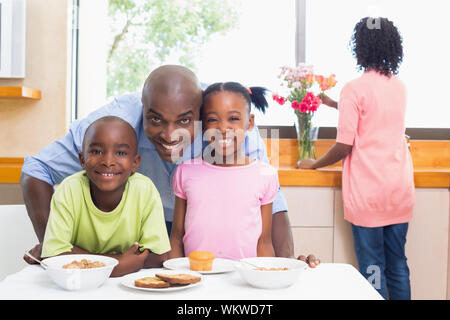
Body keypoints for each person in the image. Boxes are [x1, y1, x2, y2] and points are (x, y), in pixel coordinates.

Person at [21, 65, 301, 265]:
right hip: (136, 238)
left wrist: (286, 268)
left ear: (202, 114)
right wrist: (56, 252)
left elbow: (272, 202)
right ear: (142, 110)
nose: (170, 135)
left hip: (203, 238)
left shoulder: (229, 128)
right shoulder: (116, 125)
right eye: (155, 120)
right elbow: (36, 170)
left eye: (184, 121)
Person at [297, 17, 415, 299]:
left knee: (373, 267)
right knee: (398, 265)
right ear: (392, 46)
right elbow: (373, 112)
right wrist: (334, 104)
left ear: (359, 47)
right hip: (398, 191)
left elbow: (344, 146)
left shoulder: (354, 88)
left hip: (369, 194)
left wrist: (312, 164)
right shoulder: (398, 86)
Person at [41, 116, 170, 277]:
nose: (108, 161)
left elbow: (158, 257)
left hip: (129, 284)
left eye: (121, 153)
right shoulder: (69, 189)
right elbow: (52, 256)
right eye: (96, 151)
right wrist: (119, 264)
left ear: (135, 163)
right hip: (79, 285)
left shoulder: (145, 190)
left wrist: (75, 253)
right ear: (82, 159)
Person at [169, 82, 278, 259]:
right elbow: (176, 238)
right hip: (197, 278)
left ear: (249, 122)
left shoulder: (266, 175)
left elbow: (264, 243)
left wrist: (270, 280)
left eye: (233, 118)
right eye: (212, 119)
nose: (222, 128)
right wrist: (178, 277)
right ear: (202, 124)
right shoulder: (185, 172)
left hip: (243, 279)